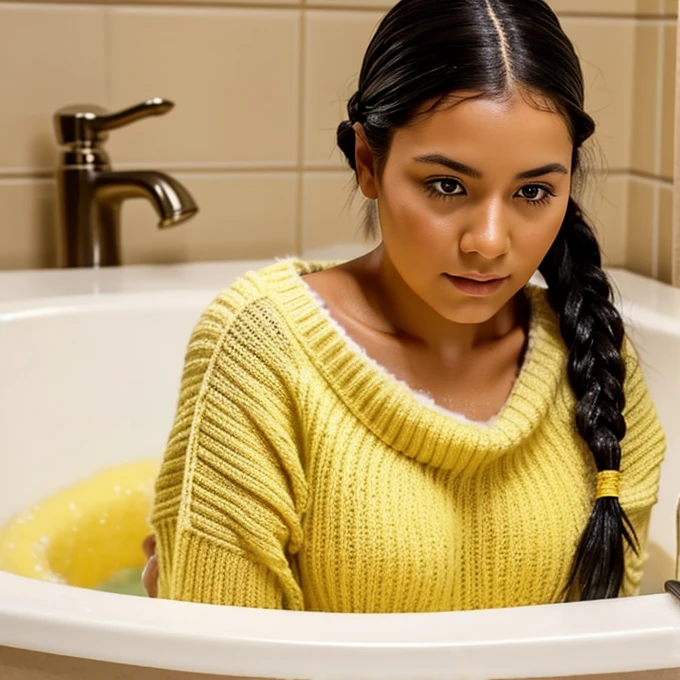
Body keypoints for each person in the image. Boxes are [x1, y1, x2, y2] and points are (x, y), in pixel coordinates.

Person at [143, 0, 666, 611]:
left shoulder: (596, 356)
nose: (490, 242)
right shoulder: (263, 348)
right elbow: (221, 665)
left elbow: (606, 650)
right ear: (368, 161)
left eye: (533, 191)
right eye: (447, 185)